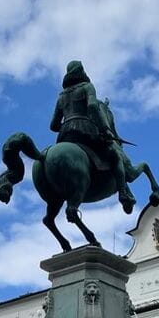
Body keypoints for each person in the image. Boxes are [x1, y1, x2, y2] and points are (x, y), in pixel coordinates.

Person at [49, 60, 134, 211]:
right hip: (85, 131)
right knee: (114, 155)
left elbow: (53, 126)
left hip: (65, 136)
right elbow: (93, 106)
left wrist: (68, 123)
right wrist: (105, 129)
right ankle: (123, 192)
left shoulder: (61, 96)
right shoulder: (87, 87)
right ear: (81, 71)